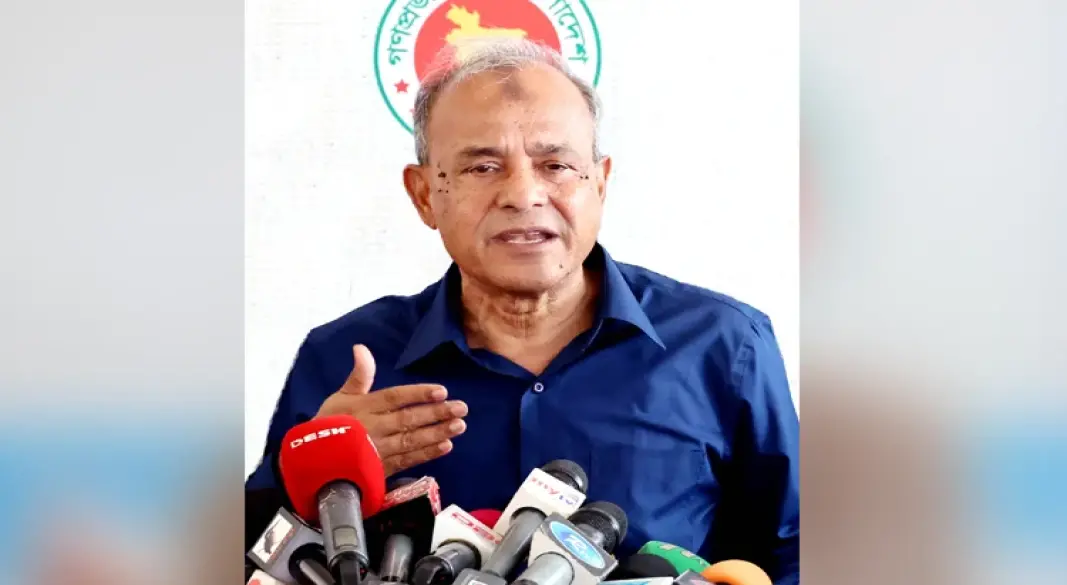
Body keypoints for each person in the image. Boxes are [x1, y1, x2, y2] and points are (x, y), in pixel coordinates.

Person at [245, 38, 799, 584]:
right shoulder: (342, 361)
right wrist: (314, 474)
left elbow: (797, 552)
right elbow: (247, 556)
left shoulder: (723, 345)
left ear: (600, 183)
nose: (523, 194)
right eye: (483, 167)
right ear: (424, 195)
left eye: (556, 164)